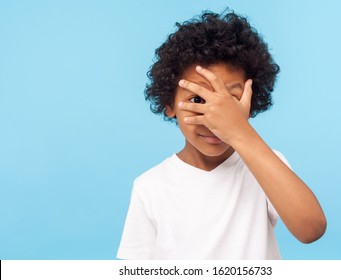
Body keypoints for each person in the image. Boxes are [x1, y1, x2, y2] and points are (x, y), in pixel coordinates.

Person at [117, 10, 327, 260]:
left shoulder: (265, 166)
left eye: (230, 101)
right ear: (169, 104)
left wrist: (240, 131)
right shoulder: (149, 186)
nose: (215, 116)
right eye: (197, 99)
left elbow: (311, 229)